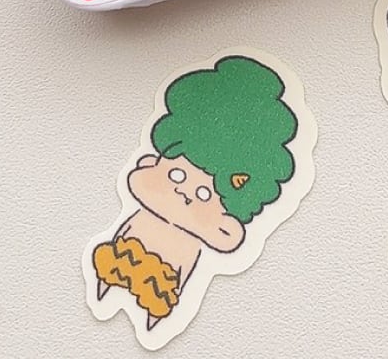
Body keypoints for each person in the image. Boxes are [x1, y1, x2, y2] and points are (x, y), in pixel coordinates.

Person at [92, 56, 298, 330]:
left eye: (205, 193)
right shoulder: (139, 215)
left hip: (167, 280)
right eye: (177, 175)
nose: (185, 194)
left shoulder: (197, 244)